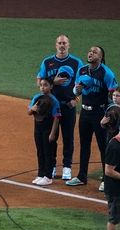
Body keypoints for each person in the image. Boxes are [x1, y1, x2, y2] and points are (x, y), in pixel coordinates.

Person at [66, 46, 118, 187]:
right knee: (84, 145)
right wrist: (77, 89)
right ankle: (82, 176)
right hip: (84, 112)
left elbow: (113, 95)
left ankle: (106, 179)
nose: (90, 53)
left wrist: (108, 115)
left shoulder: (106, 73)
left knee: (103, 146)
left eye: (95, 52)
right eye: (89, 51)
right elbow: (76, 91)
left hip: (99, 113)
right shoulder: (82, 70)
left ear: (101, 57)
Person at [36, 34, 83, 181]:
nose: (62, 46)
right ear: (55, 45)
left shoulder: (76, 62)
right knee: (51, 137)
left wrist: (76, 99)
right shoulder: (47, 61)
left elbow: (82, 83)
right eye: (59, 43)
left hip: (68, 106)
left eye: (64, 43)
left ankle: (67, 167)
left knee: (68, 137)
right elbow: (40, 82)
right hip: (51, 107)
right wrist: (53, 82)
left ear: (69, 45)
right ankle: (52, 165)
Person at [99, 86, 120, 191]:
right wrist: (102, 123)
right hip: (110, 137)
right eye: (114, 95)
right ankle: (106, 180)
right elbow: (104, 123)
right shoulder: (111, 106)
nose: (115, 98)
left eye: (118, 96)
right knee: (109, 159)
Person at [27, 77, 60, 186]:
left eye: (45, 85)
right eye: (41, 85)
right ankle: (41, 174)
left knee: (48, 153)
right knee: (40, 151)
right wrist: (32, 109)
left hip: (48, 129)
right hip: (37, 129)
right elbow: (29, 112)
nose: (42, 87)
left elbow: (56, 117)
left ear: (51, 86)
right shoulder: (37, 97)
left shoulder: (54, 100)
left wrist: (52, 133)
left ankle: (48, 176)